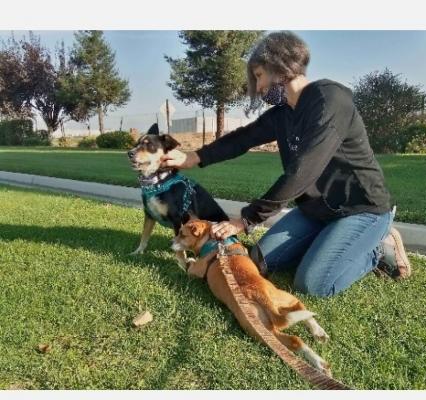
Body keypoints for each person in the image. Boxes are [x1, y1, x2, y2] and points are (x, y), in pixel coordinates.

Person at [160, 31, 411, 298]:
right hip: (317, 212)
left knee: (313, 284)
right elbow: (243, 138)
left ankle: (377, 249)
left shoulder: (329, 100)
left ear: (279, 66)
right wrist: (194, 157)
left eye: (258, 76)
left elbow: (301, 173)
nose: (257, 88)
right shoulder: (282, 114)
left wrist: (245, 220)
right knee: (257, 261)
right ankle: (327, 241)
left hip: (361, 210)